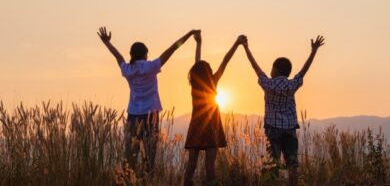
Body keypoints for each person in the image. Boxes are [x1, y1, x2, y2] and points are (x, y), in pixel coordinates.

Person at [97, 26, 198, 173]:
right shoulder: (151, 66)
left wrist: (107, 43)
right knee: (150, 155)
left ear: (132, 54)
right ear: (145, 54)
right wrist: (189, 34)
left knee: (131, 154)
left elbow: (118, 57)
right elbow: (172, 49)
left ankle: (128, 180)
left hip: (133, 115)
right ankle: (148, 179)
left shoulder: (128, 70)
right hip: (151, 115)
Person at [242, 35, 325, 186]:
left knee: (273, 163)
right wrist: (313, 52)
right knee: (292, 164)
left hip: (273, 129)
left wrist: (246, 47)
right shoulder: (291, 85)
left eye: (272, 68)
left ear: (275, 70)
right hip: (289, 128)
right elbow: (303, 71)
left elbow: (255, 67)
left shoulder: (268, 84)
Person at [184, 31, 247, 186]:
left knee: (191, 165)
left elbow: (197, 62)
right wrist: (236, 43)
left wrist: (198, 44)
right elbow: (225, 60)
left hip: (196, 127)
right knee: (209, 166)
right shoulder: (213, 81)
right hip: (212, 127)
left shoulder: (195, 86)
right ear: (208, 72)